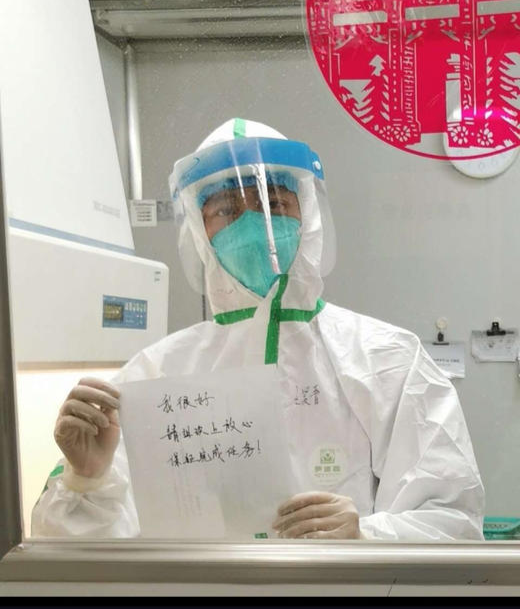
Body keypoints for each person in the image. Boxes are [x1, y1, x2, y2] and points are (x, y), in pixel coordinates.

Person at [32, 118, 485, 541]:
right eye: (227, 209)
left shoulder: (389, 359)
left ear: (307, 215)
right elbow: (80, 558)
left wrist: (365, 534)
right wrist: (87, 480)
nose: (255, 225)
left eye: (274, 204)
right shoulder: (155, 373)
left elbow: (455, 521)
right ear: (201, 232)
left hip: (344, 603)